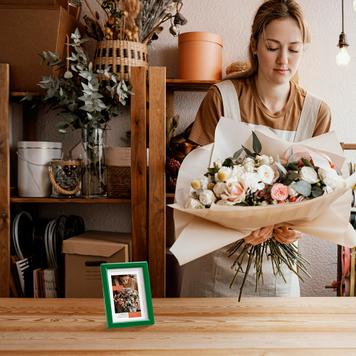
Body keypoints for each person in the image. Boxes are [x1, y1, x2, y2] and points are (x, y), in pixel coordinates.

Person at [180, 0, 331, 297]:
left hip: (277, 277)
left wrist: (298, 227)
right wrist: (235, 220)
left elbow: (321, 198)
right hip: (213, 272)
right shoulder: (222, 98)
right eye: (273, 47)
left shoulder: (316, 113)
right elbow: (193, 188)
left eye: (294, 49)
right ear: (254, 45)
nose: (283, 60)